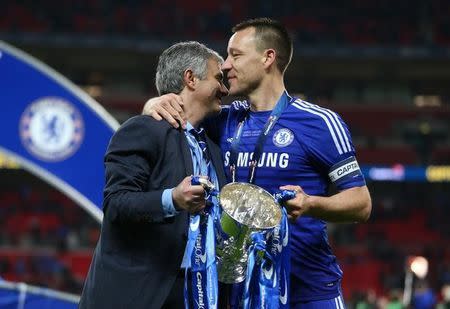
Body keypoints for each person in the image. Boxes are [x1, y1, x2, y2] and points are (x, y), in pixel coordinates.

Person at [143, 18, 372, 308]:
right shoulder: (222, 121)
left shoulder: (319, 123)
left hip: (308, 292)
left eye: (235, 55)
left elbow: (361, 203)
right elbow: (172, 119)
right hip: (239, 293)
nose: (225, 65)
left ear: (268, 58)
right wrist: (153, 105)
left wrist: (311, 204)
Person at [79, 41, 228, 309]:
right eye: (219, 78)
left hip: (196, 293)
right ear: (190, 78)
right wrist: (173, 198)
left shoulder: (214, 147)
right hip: (141, 294)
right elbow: (116, 204)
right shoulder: (143, 130)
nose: (225, 89)